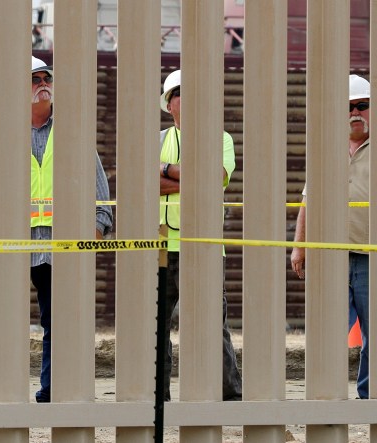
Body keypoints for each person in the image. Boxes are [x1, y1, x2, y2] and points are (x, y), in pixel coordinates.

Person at [0, 56, 113, 404]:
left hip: (58, 243)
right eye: (34, 79)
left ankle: (51, 394)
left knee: (59, 322)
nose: (43, 83)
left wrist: (97, 225)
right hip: (12, 242)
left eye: (47, 77)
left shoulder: (72, 132)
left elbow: (99, 187)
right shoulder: (2, 133)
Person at [290, 74, 377, 399]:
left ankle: (371, 395)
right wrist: (299, 244)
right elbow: (308, 199)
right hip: (333, 255)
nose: (355, 112)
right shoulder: (327, 149)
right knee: (329, 328)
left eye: (362, 106)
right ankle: (327, 395)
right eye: (349, 106)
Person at [158, 69, 243, 401]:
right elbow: (145, 182)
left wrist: (165, 170)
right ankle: (157, 397)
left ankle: (230, 396)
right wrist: (191, 174)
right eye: (179, 93)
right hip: (161, 247)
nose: (186, 99)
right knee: (156, 327)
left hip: (204, 247)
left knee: (211, 326)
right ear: (169, 103)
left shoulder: (219, 139)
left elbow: (215, 177)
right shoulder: (158, 139)